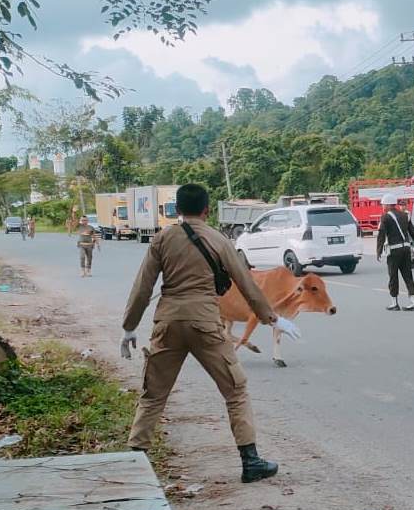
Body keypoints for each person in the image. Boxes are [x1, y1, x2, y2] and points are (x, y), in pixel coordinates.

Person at [120, 182, 299, 481]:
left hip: (168, 323)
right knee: (235, 390)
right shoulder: (219, 240)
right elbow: (247, 284)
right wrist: (273, 319)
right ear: (206, 209)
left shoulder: (162, 239)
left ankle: (136, 459)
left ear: (177, 209)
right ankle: (250, 461)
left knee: (154, 394)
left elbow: (143, 287)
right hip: (205, 323)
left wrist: (129, 327)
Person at [375, 194, 414, 311]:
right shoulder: (405, 216)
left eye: (383, 205)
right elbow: (413, 234)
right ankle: (413, 302)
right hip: (406, 250)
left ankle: (394, 303)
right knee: (408, 276)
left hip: (394, 251)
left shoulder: (385, 217)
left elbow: (381, 235)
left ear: (388, 205)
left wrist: (378, 251)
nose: (382, 207)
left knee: (393, 276)